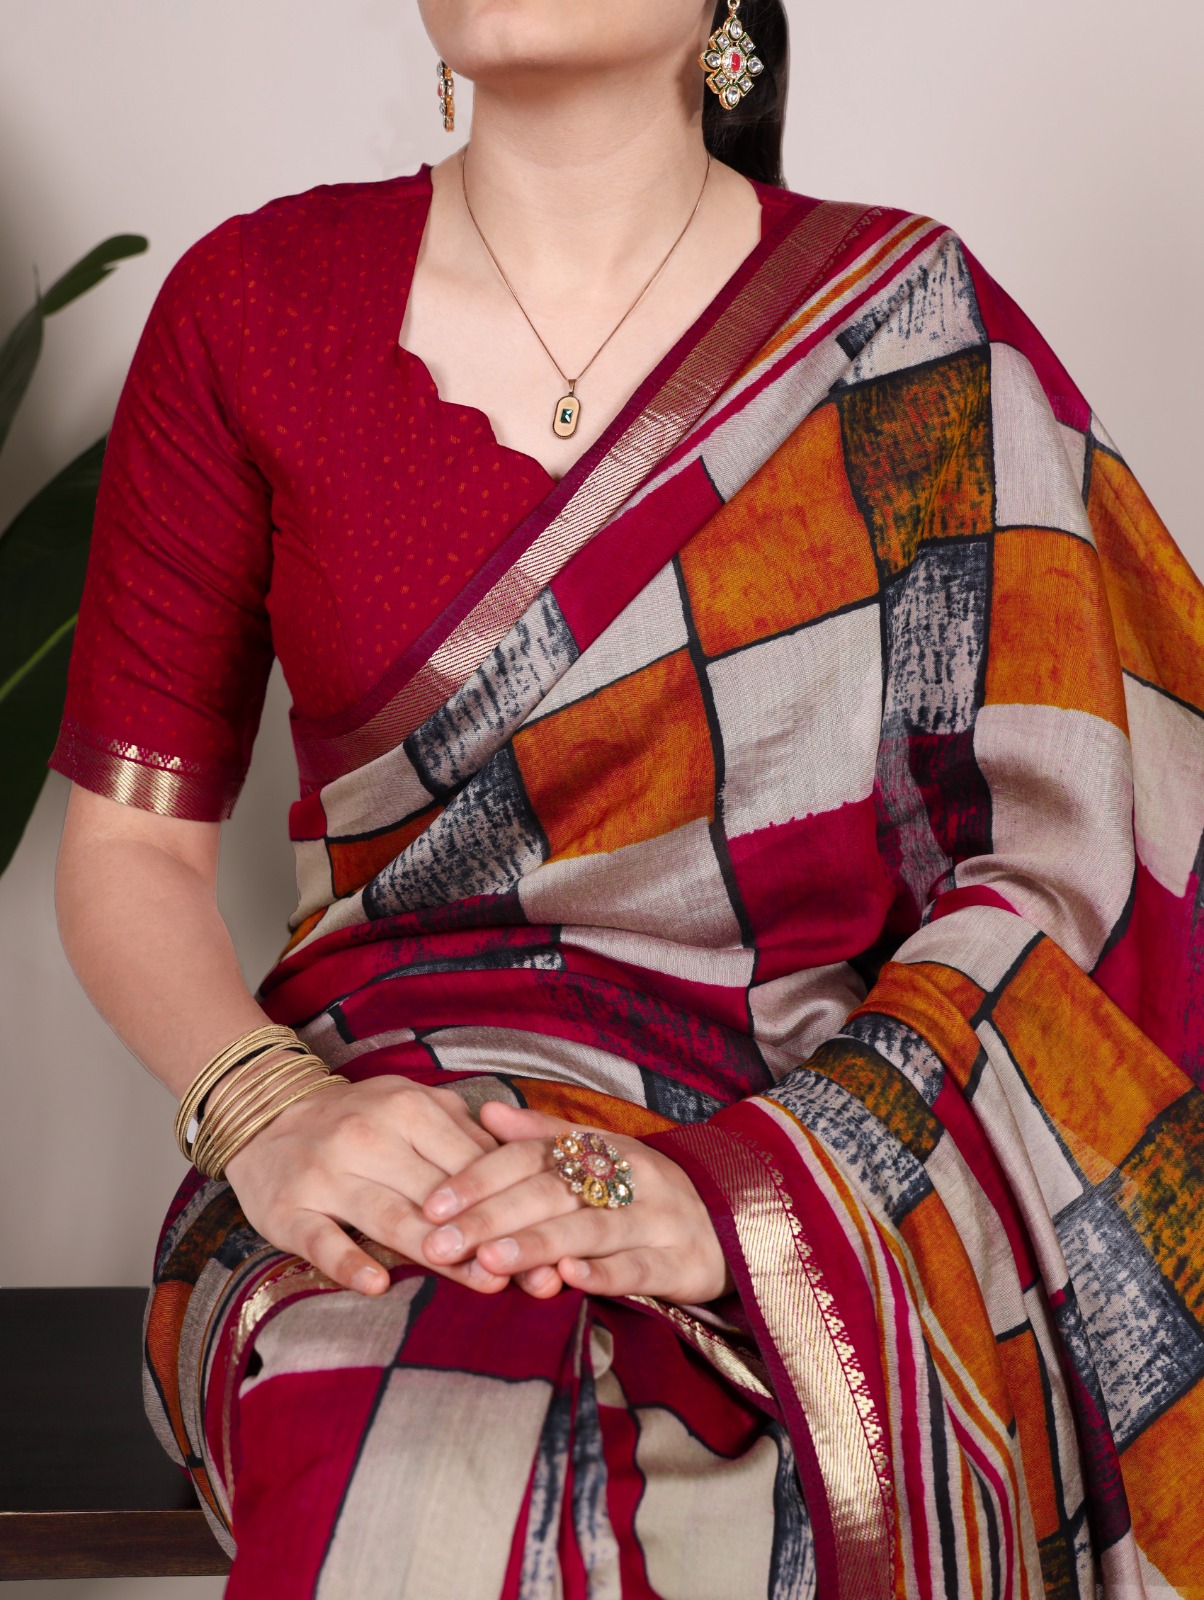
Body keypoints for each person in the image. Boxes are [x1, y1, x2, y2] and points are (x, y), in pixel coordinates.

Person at [49, 0, 1204, 1595]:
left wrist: (744, 1199)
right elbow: (131, 849)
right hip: (394, 1128)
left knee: (827, 1454)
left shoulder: (910, 331)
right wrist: (268, 1114)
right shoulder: (256, 304)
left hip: (820, 1108)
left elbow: (1055, 863)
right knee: (399, 1444)